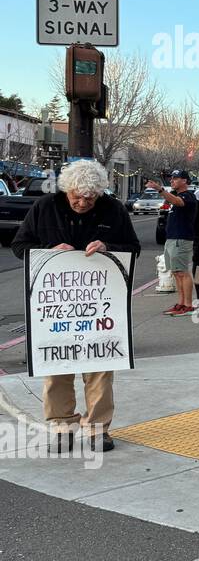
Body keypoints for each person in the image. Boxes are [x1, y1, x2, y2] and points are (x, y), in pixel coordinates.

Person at [10, 160, 140, 451]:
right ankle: (62, 426)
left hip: (98, 307)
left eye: (90, 198)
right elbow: (20, 246)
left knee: (100, 369)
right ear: (66, 190)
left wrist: (108, 248)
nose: (82, 203)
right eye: (76, 197)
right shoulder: (45, 207)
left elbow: (133, 248)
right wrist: (47, 252)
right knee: (56, 370)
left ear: (99, 194)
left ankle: (98, 429)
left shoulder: (113, 210)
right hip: (55, 308)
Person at [146, 170, 199, 316]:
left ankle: (188, 305)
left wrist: (160, 189)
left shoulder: (188, 196)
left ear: (185, 181)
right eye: (171, 178)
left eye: (175, 178)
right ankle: (181, 303)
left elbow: (178, 202)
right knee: (176, 272)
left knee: (183, 272)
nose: (172, 181)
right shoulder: (174, 196)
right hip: (171, 238)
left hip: (181, 238)